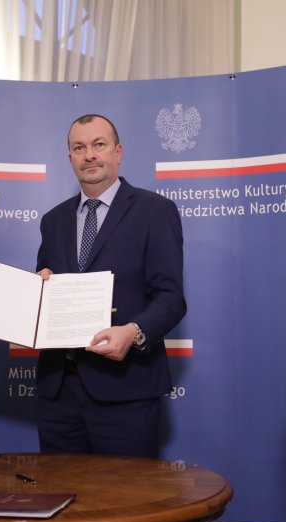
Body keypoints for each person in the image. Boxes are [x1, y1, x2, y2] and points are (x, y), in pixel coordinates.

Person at [35, 114, 186, 458]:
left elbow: (171, 298)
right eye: (79, 148)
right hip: (59, 392)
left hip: (126, 389)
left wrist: (133, 332)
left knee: (125, 491)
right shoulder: (53, 221)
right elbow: (45, 283)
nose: (89, 154)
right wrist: (38, 288)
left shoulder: (155, 211)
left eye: (98, 145)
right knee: (61, 490)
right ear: (70, 158)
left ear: (118, 152)